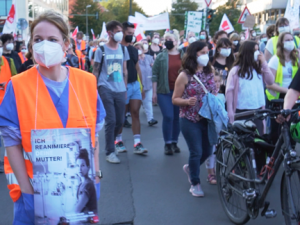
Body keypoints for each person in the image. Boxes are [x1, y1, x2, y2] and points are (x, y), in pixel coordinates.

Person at [0, 10, 106, 224]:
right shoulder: (18, 86)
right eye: (38, 39)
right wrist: (27, 190)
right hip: (32, 195)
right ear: (31, 46)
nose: (44, 45)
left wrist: (95, 177)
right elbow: (11, 143)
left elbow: (93, 138)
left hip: (79, 194)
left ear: (66, 44)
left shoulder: (86, 82)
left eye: (52, 39)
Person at [172, 41, 217, 197]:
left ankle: (191, 168)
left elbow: (214, 92)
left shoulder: (209, 71)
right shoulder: (184, 75)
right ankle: (195, 183)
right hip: (189, 119)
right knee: (196, 151)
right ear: (194, 54)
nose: (206, 56)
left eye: (207, 52)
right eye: (202, 53)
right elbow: (175, 99)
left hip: (207, 119)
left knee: (208, 150)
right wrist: (186, 101)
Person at [93, 20, 129, 164]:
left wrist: (125, 88)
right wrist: (94, 89)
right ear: (110, 33)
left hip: (120, 89)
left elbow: (124, 70)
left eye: (121, 30)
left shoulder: (124, 49)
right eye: (118, 31)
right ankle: (110, 152)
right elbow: (95, 70)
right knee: (111, 120)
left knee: (120, 121)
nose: (121, 34)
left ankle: (111, 143)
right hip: (105, 87)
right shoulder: (101, 50)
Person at [226, 41, 274, 134]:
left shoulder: (258, 68)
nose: (258, 53)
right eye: (254, 50)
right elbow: (229, 92)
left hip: (258, 111)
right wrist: (230, 112)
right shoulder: (236, 71)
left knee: (257, 140)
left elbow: (270, 81)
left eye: (258, 50)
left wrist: (264, 63)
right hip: (241, 112)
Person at [115, 21, 148, 156]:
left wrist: (142, 86)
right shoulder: (116, 49)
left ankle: (137, 143)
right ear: (122, 33)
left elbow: (137, 68)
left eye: (132, 34)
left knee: (135, 113)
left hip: (135, 85)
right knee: (121, 115)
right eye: (129, 34)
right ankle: (118, 141)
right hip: (121, 86)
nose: (131, 36)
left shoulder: (134, 49)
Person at [152, 29, 183, 155]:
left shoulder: (183, 56)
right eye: (166, 40)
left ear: (176, 41)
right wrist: (154, 93)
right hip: (164, 91)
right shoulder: (160, 56)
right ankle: (167, 143)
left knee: (177, 118)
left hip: (180, 92)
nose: (168, 42)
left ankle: (174, 142)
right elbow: (155, 75)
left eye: (170, 40)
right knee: (168, 116)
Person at [266, 32, 299, 144]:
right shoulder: (275, 60)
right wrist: (288, 90)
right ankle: (273, 157)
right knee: (277, 130)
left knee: (291, 128)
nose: (290, 42)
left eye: (291, 40)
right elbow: (269, 83)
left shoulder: (296, 59)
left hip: (294, 97)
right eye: (287, 40)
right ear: (281, 43)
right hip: (279, 97)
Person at [205, 72, 225, 185]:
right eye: (214, 82)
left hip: (220, 128)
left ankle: (217, 171)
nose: (217, 84)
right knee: (211, 152)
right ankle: (210, 173)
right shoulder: (208, 96)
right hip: (211, 128)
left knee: (219, 151)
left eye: (218, 81)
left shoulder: (222, 96)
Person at [134, 42, 158, 126]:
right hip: (138, 85)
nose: (138, 50)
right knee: (136, 104)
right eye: (136, 48)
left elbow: (154, 67)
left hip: (149, 84)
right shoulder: (134, 59)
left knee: (148, 101)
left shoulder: (149, 58)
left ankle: (150, 119)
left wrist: (153, 65)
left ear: (143, 49)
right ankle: (130, 117)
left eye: (139, 48)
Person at [75, 149, 97, 214]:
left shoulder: (88, 185)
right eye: (77, 166)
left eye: (82, 165)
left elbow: (77, 210)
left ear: (88, 167)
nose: (79, 169)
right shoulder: (81, 184)